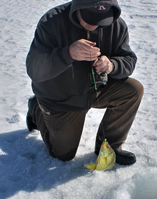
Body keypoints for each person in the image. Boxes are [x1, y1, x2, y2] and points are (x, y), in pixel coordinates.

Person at [26, 0, 144, 165]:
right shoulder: (51, 22)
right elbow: (33, 67)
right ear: (77, 8)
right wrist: (68, 54)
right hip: (61, 99)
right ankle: (36, 108)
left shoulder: (116, 24)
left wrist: (112, 65)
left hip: (96, 89)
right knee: (63, 155)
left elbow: (129, 60)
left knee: (133, 90)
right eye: (90, 18)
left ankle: (108, 147)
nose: (94, 25)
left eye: (101, 20)